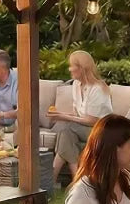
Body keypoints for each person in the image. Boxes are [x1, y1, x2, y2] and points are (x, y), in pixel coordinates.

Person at [48, 50, 113, 180]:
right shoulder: (76, 85)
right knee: (67, 133)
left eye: (72, 65)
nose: (70, 68)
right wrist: (59, 114)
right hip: (83, 129)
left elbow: (91, 120)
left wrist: (63, 117)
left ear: (82, 68)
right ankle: (76, 178)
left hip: (101, 130)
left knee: (67, 128)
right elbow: (78, 114)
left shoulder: (97, 88)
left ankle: (53, 177)